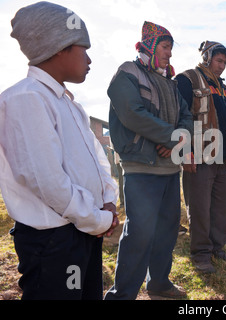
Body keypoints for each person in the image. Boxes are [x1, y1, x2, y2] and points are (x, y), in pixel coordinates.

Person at [0, 2, 119, 300]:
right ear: (59, 47)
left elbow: (97, 159)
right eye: (83, 48)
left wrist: (108, 200)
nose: (90, 59)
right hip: (54, 240)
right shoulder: (26, 99)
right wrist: (97, 219)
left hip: (82, 229)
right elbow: (48, 182)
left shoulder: (69, 104)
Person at [104, 22, 193, 300]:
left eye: (170, 48)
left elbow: (186, 117)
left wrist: (178, 138)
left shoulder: (170, 80)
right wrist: (172, 138)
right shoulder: (127, 74)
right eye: (166, 47)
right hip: (141, 167)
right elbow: (132, 113)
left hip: (168, 169)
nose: (169, 54)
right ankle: (122, 294)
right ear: (151, 46)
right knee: (140, 232)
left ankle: (159, 283)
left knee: (167, 228)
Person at [175, 41, 226, 274]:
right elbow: (180, 117)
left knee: (222, 207)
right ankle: (200, 254)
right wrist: (185, 151)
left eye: (225, 62)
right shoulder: (187, 80)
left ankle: (217, 248)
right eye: (219, 61)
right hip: (198, 155)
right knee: (199, 207)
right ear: (207, 57)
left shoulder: (222, 87)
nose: (222, 66)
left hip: (222, 157)